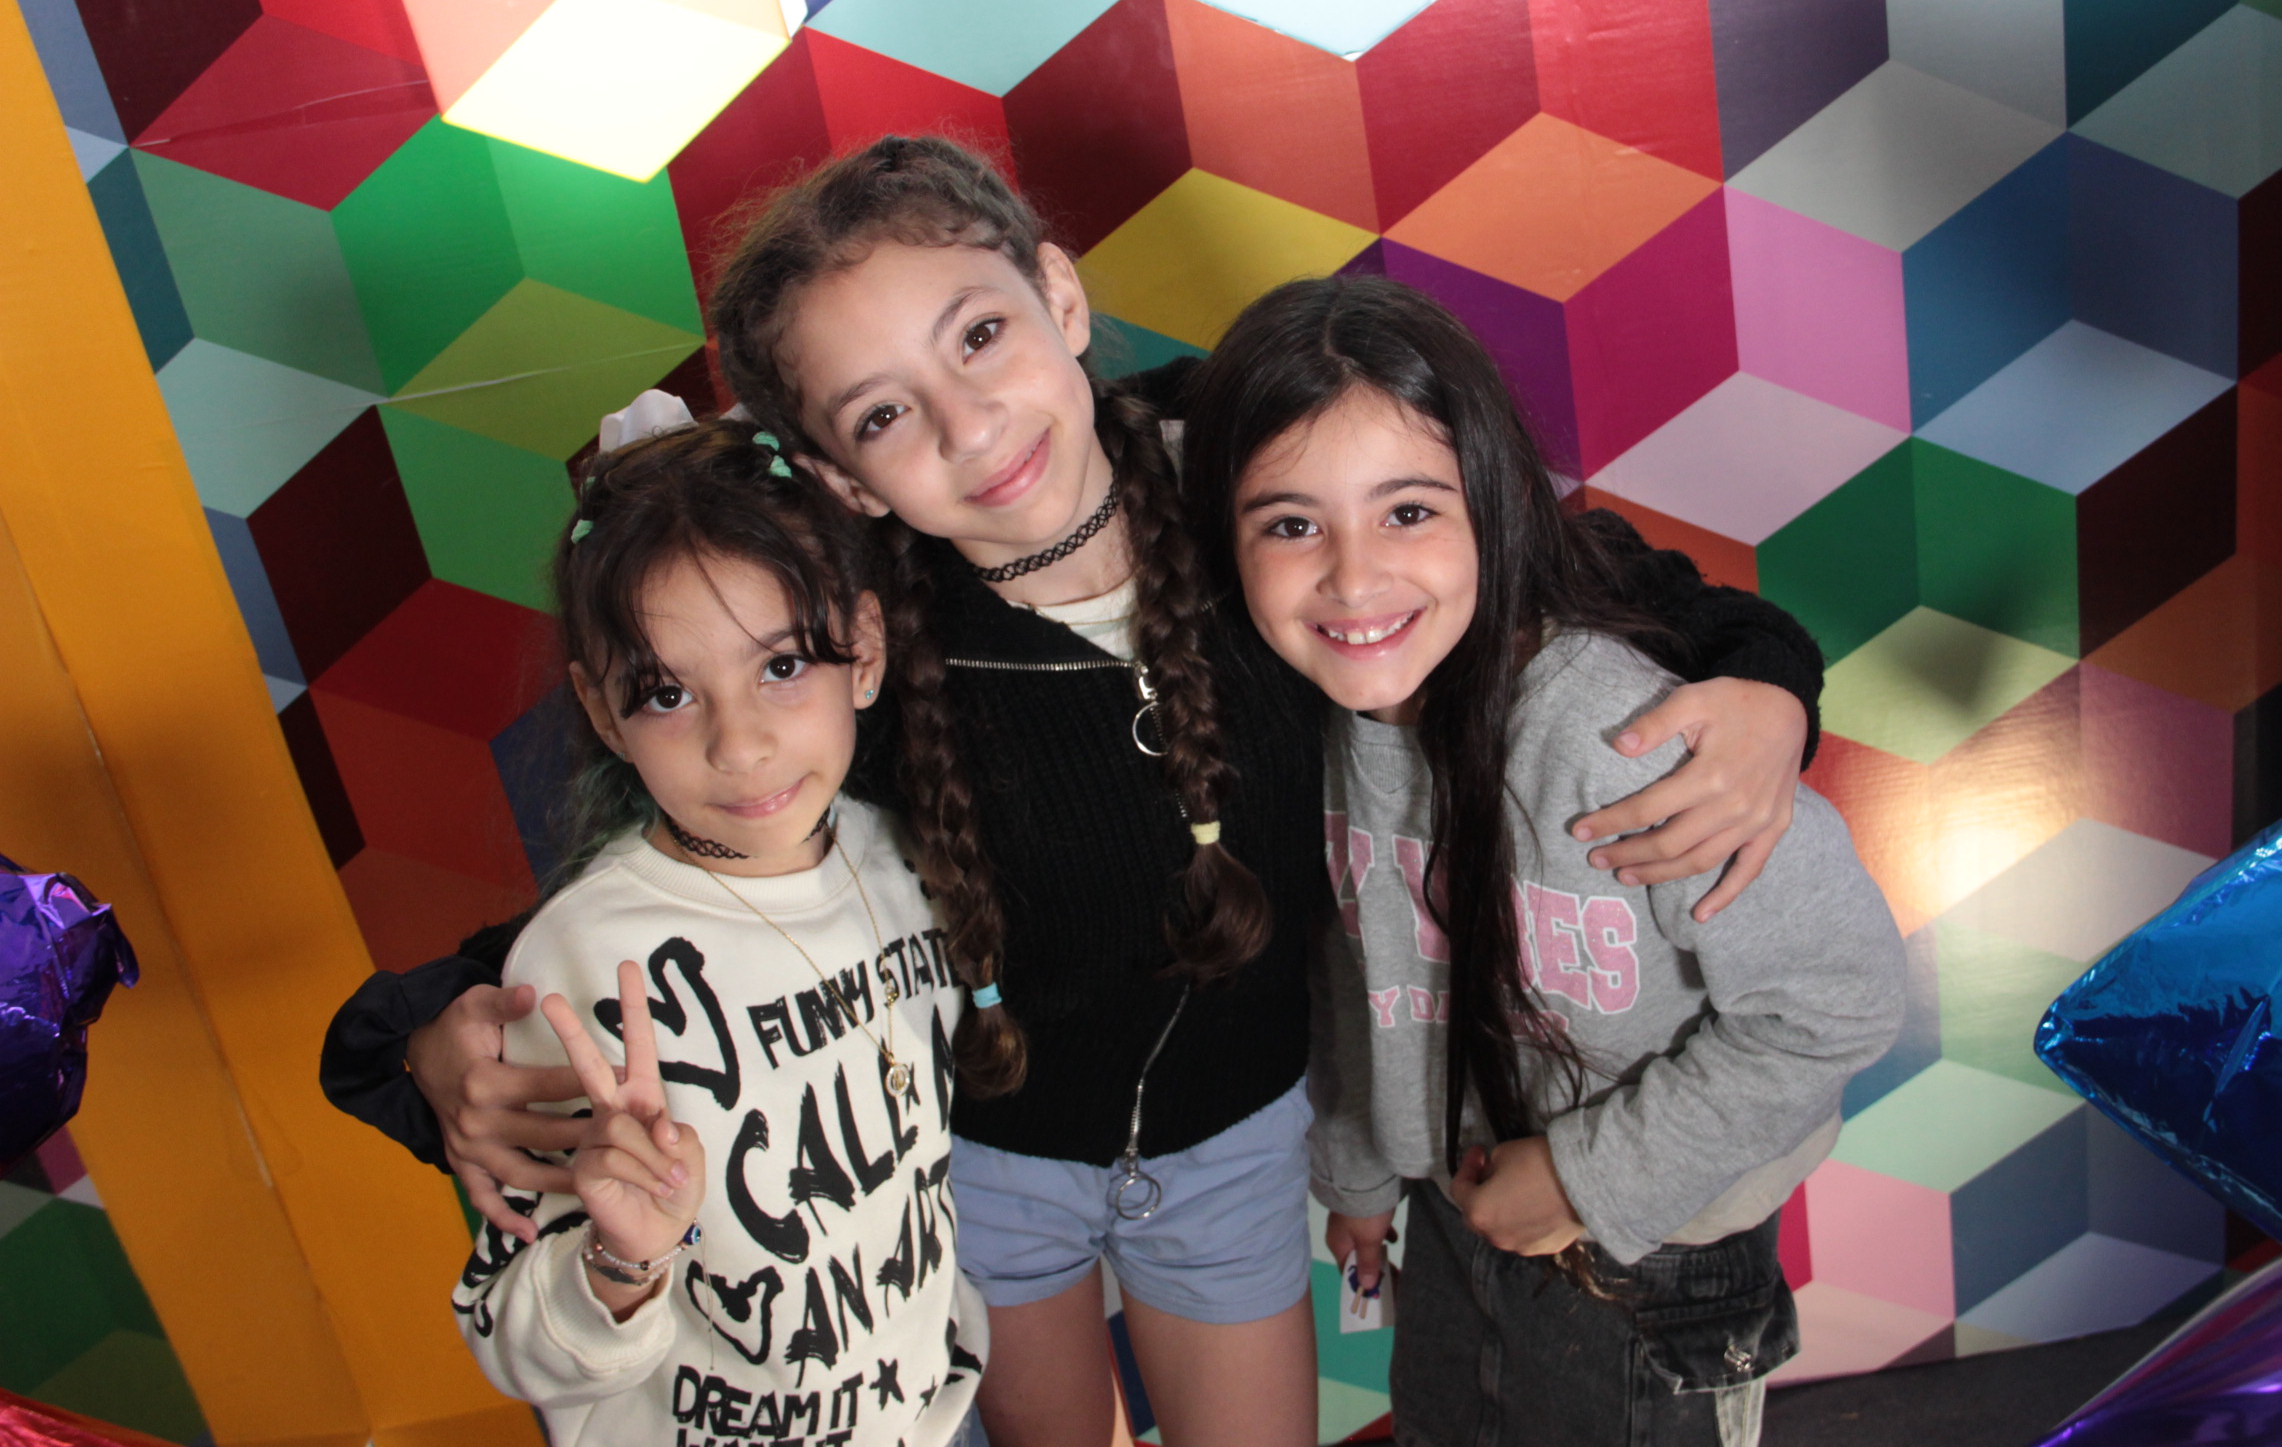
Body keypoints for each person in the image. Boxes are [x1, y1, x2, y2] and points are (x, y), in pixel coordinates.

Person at [323, 137, 1823, 1447]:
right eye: (883, 416)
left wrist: (1769, 686)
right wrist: (424, 1048)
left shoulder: (1254, 474)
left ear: (1059, 294)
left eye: (981, 334)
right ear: (841, 478)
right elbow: (663, 886)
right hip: (998, 1166)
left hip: (1236, 1141)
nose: (970, 425)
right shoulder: (860, 645)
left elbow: (1579, 571)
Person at [1181, 276, 1907, 1447]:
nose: (1353, 578)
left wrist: (1583, 1178)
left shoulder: (1619, 739)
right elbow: (1357, 970)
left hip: (1653, 1260)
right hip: (1451, 1213)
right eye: (1292, 524)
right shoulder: (1313, 726)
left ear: (1496, 504)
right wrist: (1360, 1178)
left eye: (1407, 511)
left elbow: (1838, 1001)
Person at [451, 420, 983, 1447]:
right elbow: (507, 1337)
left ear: (864, 649)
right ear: (602, 713)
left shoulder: (906, 860)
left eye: (781, 666)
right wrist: (623, 1263)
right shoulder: (582, 961)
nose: (738, 744)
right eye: (666, 693)